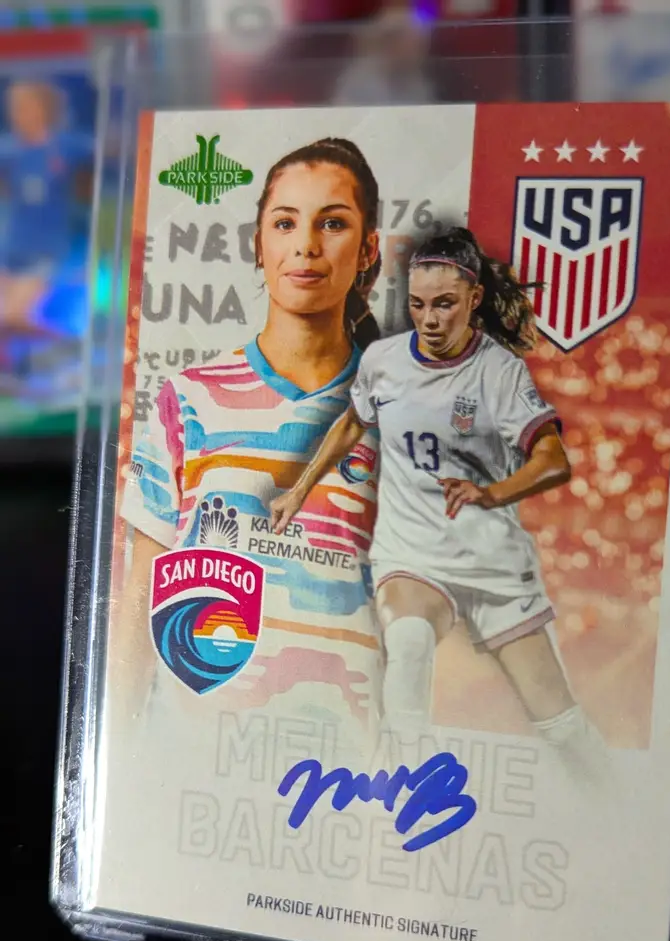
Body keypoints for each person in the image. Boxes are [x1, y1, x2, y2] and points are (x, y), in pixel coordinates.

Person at [271, 226, 592, 751]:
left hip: (489, 558)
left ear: (474, 298)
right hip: (411, 554)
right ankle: (403, 784)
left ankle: (613, 791)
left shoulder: (499, 372)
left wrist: (492, 493)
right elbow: (353, 423)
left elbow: (553, 460)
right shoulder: (384, 361)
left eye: (445, 304)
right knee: (408, 641)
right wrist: (299, 489)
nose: (430, 319)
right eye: (418, 305)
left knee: (560, 723)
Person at [114, 137, 383, 735]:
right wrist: (118, 750)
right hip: (193, 747)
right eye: (285, 223)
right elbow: (142, 592)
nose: (306, 245)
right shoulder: (188, 398)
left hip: (345, 760)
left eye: (332, 223)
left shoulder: (398, 411)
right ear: (258, 245)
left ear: (368, 248)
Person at [0, 81, 93, 343]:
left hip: (52, 252)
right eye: (14, 107)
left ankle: (71, 347)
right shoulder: (10, 151)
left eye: (25, 106)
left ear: (45, 108)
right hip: (13, 248)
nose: (18, 113)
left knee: (12, 317)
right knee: (7, 319)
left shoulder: (71, 149)